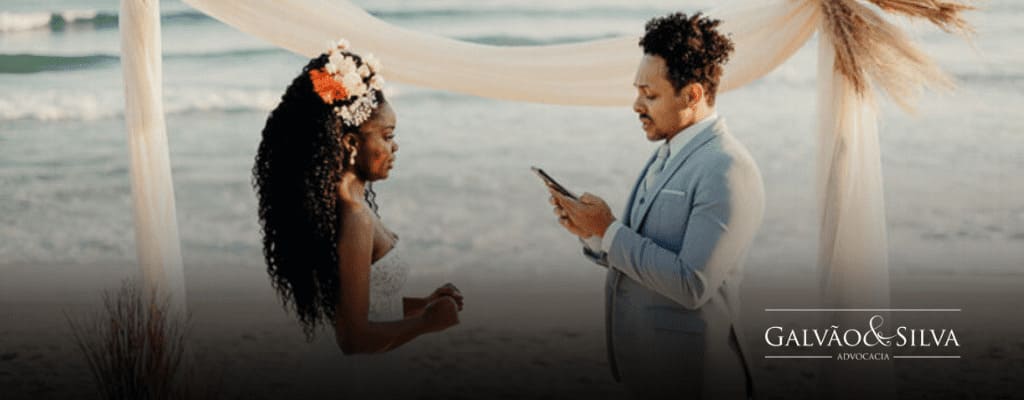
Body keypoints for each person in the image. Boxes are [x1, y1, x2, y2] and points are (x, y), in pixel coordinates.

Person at [548, 13, 763, 399]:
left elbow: (692, 283)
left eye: (650, 95)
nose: (636, 105)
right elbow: (647, 254)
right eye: (637, 92)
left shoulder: (728, 168)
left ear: (692, 95)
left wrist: (610, 230)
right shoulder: (668, 151)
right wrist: (594, 235)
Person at [252, 39, 463, 357]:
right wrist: (426, 323)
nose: (395, 146)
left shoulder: (342, 209)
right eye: (387, 136)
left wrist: (425, 303)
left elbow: (367, 304)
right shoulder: (355, 219)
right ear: (351, 143)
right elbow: (352, 338)